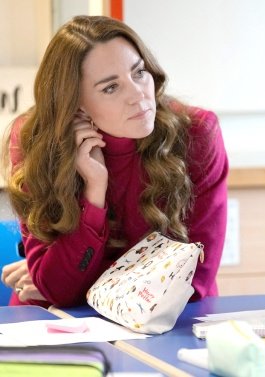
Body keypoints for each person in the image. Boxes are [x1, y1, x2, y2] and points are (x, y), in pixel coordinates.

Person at [0, 15, 228, 308]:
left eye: (139, 72)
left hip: (164, 321)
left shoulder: (196, 132)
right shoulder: (35, 140)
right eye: (111, 87)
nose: (138, 95)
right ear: (75, 103)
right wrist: (94, 191)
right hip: (57, 327)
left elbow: (194, 280)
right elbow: (58, 291)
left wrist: (71, 282)